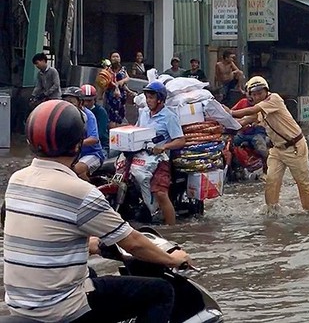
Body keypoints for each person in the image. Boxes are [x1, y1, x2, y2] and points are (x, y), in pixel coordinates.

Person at [3, 100, 190, 322]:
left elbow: (43, 229)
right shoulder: (80, 191)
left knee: (90, 274)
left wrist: (90, 245)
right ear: (77, 146)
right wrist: (173, 260)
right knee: (161, 291)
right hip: (60, 310)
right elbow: (133, 242)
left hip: (19, 305)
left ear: (30, 141)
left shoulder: (17, 180)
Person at [229, 76, 309, 213]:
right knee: (271, 180)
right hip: (277, 149)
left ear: (266, 91)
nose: (258, 96)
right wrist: (222, 120)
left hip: (294, 146)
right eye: (255, 94)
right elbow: (245, 120)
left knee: (303, 183)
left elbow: (250, 111)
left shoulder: (273, 99)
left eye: (260, 93)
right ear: (250, 96)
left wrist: (231, 112)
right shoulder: (261, 110)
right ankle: (271, 211)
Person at [131, 81, 186, 225]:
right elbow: (135, 131)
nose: (148, 100)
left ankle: (172, 229)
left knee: (160, 193)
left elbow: (180, 140)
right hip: (140, 156)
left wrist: (164, 147)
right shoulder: (143, 113)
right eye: (147, 97)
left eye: (151, 97)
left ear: (160, 99)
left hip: (160, 159)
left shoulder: (169, 116)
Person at [62, 87, 105, 181]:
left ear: (80, 102)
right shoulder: (63, 116)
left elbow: (94, 139)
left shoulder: (88, 116)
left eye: (71, 102)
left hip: (92, 154)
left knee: (77, 170)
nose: (68, 105)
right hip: (73, 154)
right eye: (66, 102)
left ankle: (91, 192)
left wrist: (77, 143)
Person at [232, 92, 270, 174]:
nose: (251, 97)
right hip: (243, 133)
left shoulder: (262, 105)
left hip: (257, 133)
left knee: (262, 150)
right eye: (249, 94)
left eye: (254, 94)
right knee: (231, 144)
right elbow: (232, 113)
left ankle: (267, 168)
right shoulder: (242, 102)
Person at [81, 84, 110, 158]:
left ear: (95, 100)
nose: (86, 103)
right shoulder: (76, 111)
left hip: (99, 147)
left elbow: (99, 134)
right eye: (84, 100)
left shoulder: (100, 112)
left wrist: (79, 142)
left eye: (89, 101)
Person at [104, 51, 131, 128]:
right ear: (111, 59)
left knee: (121, 115)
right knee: (111, 116)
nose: (115, 58)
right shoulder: (107, 70)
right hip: (111, 96)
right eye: (113, 57)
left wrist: (122, 82)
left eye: (117, 57)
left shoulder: (123, 69)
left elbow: (127, 78)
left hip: (122, 96)